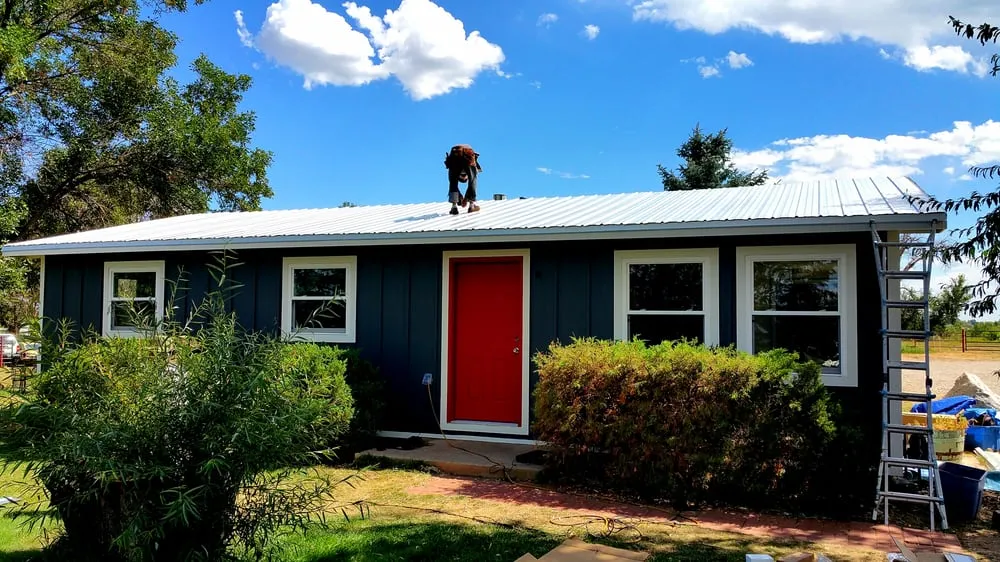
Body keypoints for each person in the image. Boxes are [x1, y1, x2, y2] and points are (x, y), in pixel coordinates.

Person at [444, 144, 483, 214]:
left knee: (453, 181)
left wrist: (464, 198)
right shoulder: (471, 159)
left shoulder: (452, 161)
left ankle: (454, 207)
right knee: (473, 179)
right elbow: (472, 182)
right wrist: (464, 198)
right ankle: (472, 205)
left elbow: (453, 184)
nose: (464, 177)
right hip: (466, 153)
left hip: (455, 155)